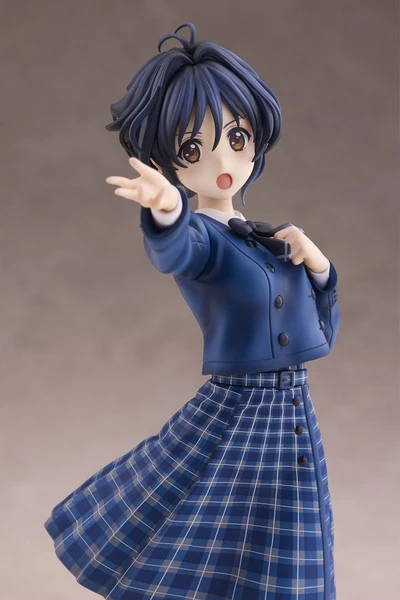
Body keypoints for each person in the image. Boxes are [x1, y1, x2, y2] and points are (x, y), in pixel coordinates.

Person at [44, 22, 340, 600]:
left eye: (237, 136)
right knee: (210, 531)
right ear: (168, 160)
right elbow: (178, 251)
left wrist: (321, 268)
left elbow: (318, 331)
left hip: (290, 407)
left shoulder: (262, 235)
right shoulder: (204, 236)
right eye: (192, 149)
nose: (222, 160)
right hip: (243, 407)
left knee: (281, 533)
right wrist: (165, 213)